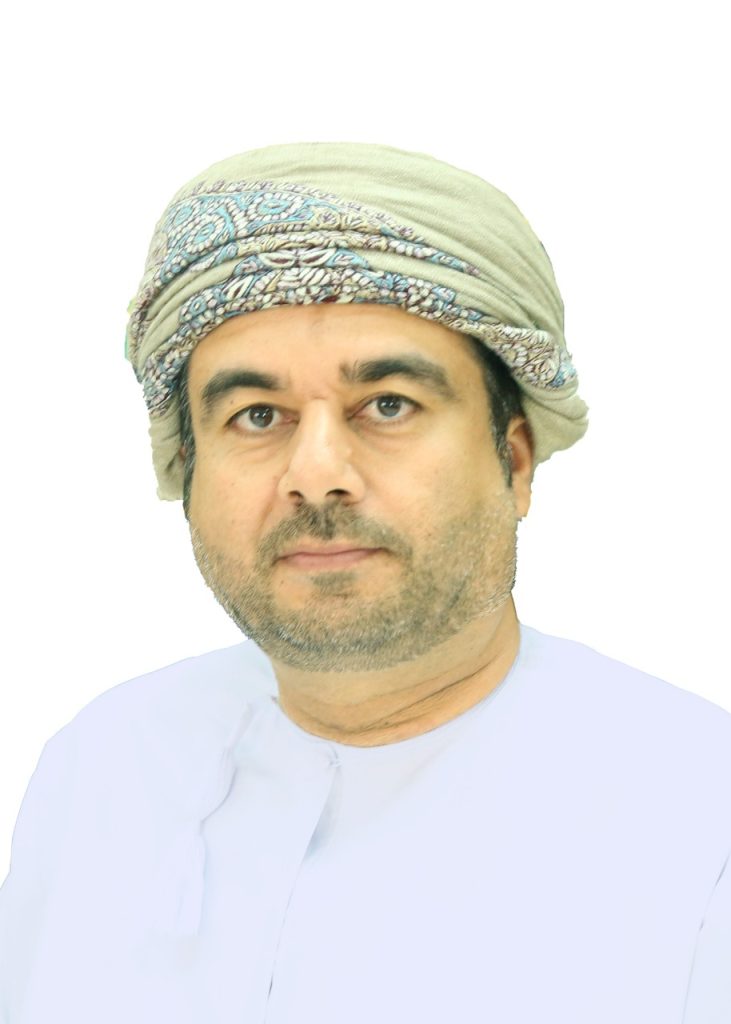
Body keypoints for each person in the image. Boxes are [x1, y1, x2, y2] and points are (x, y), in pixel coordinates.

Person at [0, 142, 728, 1024]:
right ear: (187, 470)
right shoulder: (101, 765)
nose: (316, 475)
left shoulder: (700, 817)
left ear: (513, 461)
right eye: (256, 416)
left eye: (388, 405)